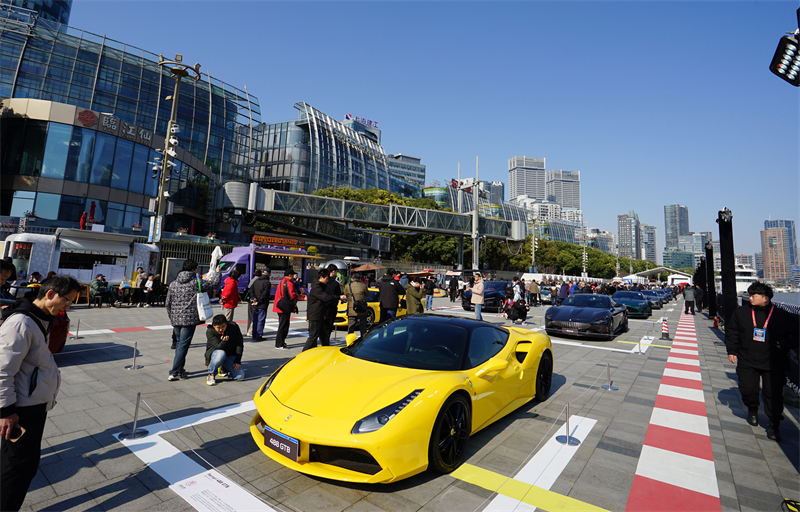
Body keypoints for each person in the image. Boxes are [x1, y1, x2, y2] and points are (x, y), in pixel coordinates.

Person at [0, 275, 81, 511]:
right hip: (21, 409)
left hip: (33, 403)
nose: (68, 307)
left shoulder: (39, 318)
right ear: (49, 294)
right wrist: (5, 410)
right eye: (67, 301)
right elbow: (2, 370)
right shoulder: (21, 323)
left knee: (24, 466)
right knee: (16, 469)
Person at [726, 283, 799, 442]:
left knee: (773, 395)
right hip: (747, 359)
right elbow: (732, 332)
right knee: (747, 389)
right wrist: (731, 350)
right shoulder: (741, 313)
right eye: (750, 295)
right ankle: (752, 408)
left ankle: (774, 424)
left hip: (773, 362)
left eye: (754, 296)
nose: (750, 298)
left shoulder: (782, 316)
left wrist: (785, 345)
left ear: (765, 299)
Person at [165, 260, 220, 381]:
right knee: (183, 345)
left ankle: (179, 370)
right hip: (189, 320)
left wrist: (172, 316)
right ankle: (174, 372)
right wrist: (217, 272)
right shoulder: (196, 283)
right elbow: (214, 284)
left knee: (180, 344)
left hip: (175, 319)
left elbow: (167, 303)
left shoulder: (173, 283)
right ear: (194, 270)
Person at [303, 268, 345, 351]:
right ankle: (302, 355)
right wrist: (338, 297)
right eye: (326, 278)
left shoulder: (320, 286)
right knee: (313, 337)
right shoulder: (316, 287)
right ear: (321, 277)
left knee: (324, 336)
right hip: (315, 316)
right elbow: (325, 297)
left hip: (320, 315)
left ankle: (326, 350)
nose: (327, 280)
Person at [204, 314, 245, 386]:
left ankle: (224, 368)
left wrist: (237, 360)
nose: (221, 329)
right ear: (214, 326)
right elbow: (218, 346)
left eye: (223, 326)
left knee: (240, 376)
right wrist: (224, 341)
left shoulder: (233, 327)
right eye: (218, 327)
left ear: (226, 323)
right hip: (216, 353)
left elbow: (239, 343)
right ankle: (211, 373)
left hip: (230, 354)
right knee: (221, 354)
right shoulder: (210, 331)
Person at [272, 268, 298, 349]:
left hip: (280, 305)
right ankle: (279, 344)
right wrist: (297, 295)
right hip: (284, 307)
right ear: (290, 275)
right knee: (284, 326)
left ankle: (280, 342)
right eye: (293, 274)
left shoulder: (282, 281)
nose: (294, 276)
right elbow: (292, 295)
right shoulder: (289, 283)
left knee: (282, 325)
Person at [323, 264, 344, 346]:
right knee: (328, 327)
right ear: (333, 272)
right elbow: (339, 295)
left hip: (323, 307)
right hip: (332, 307)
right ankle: (326, 343)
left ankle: (322, 342)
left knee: (322, 326)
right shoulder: (335, 284)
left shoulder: (323, 282)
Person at [344, 272, 369, 337]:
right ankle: (363, 343)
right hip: (362, 309)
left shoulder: (347, 286)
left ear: (352, 279)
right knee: (363, 328)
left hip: (351, 310)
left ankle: (350, 343)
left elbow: (345, 295)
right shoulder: (363, 285)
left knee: (351, 328)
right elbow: (367, 294)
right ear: (359, 279)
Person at [251, 269, 272, 342]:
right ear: (269, 274)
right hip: (262, 304)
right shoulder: (267, 282)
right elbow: (265, 294)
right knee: (261, 320)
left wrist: (254, 300)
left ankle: (254, 334)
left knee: (255, 320)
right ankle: (259, 336)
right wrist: (259, 301)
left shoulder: (256, 281)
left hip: (255, 303)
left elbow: (251, 291)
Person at [245, 269, 262, 337]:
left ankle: (248, 330)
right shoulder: (257, 281)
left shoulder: (252, 280)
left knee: (250, 315)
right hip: (254, 299)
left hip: (250, 299)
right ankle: (251, 331)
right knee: (254, 316)